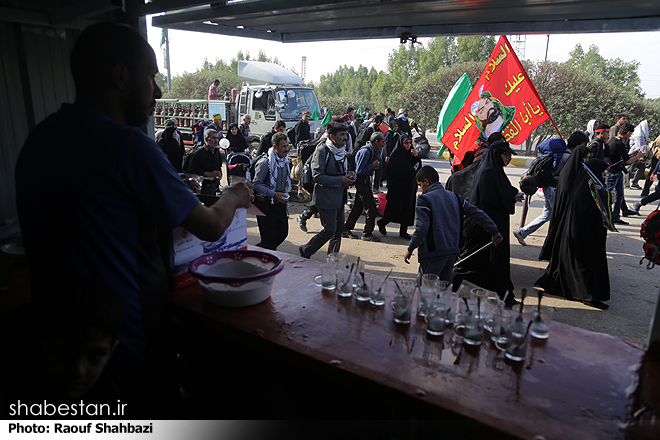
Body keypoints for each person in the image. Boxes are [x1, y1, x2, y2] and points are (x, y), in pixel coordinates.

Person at [14, 22, 253, 416]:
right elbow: (209, 226)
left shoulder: (39, 139)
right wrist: (233, 195)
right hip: (123, 353)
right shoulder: (128, 147)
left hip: (56, 350)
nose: (157, 91)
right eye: (152, 77)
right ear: (121, 75)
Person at [536, 146, 612, 310]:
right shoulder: (582, 188)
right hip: (580, 236)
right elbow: (588, 214)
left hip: (578, 234)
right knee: (581, 266)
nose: (605, 175)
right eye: (603, 172)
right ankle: (585, 294)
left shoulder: (587, 186)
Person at [451, 141, 524, 305]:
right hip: (481, 227)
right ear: (497, 154)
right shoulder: (488, 172)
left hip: (491, 225)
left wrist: (512, 195)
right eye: (505, 154)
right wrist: (510, 198)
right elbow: (488, 199)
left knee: (496, 261)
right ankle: (445, 290)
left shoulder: (495, 172)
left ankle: (506, 296)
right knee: (466, 261)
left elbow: (502, 190)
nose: (508, 158)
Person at [404, 166, 503, 281]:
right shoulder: (455, 197)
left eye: (420, 185)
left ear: (426, 181)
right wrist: (494, 230)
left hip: (433, 254)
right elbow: (477, 213)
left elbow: (422, 227)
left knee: (425, 291)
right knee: (444, 290)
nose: (421, 189)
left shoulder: (424, 200)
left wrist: (410, 248)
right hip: (452, 252)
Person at [299, 118, 357, 259]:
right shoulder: (322, 151)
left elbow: (342, 171)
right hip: (325, 198)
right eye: (341, 135)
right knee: (330, 229)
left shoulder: (341, 150)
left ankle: (332, 258)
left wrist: (350, 176)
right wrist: (341, 180)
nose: (345, 137)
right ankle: (306, 250)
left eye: (345, 134)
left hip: (339, 197)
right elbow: (317, 177)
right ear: (332, 137)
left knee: (339, 230)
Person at [513, 134, 577, 246]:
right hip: (555, 190)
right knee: (561, 216)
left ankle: (522, 232)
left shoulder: (556, 156)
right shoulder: (567, 157)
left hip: (549, 189)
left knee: (547, 214)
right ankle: (560, 243)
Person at [377, 135, 422, 239]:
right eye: (406, 143)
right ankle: (382, 223)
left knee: (407, 208)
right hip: (398, 187)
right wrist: (409, 171)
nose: (408, 145)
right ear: (402, 143)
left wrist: (417, 157)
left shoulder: (411, 154)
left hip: (409, 187)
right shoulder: (396, 154)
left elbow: (419, 167)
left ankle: (403, 231)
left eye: (410, 143)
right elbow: (392, 171)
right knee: (395, 208)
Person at [252, 132, 291, 250]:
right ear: (275, 147)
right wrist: (274, 194)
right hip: (265, 205)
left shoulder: (285, 161)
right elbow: (256, 184)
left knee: (282, 233)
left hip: (280, 204)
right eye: (283, 147)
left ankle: (258, 251)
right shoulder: (265, 163)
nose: (286, 149)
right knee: (270, 241)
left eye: (287, 146)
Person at [343, 132, 384, 242]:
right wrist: (372, 165)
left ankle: (346, 229)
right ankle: (367, 233)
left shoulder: (374, 151)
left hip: (366, 181)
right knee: (371, 208)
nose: (383, 145)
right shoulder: (365, 152)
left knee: (358, 207)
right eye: (382, 142)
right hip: (361, 182)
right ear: (376, 142)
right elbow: (359, 171)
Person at [606, 121, 638, 224]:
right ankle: (606, 216)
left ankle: (615, 217)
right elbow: (627, 161)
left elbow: (623, 157)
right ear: (628, 133)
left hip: (616, 172)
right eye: (631, 134)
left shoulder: (614, 140)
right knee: (608, 195)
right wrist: (638, 157)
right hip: (612, 173)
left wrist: (632, 155)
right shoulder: (619, 143)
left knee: (620, 195)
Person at [188, 128, 224, 195]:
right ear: (206, 139)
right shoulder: (199, 153)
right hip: (201, 187)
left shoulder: (216, 152)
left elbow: (219, 167)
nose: (216, 140)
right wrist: (209, 174)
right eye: (213, 138)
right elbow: (191, 170)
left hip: (212, 186)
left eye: (217, 138)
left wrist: (219, 174)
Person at [628, 120, 650, 190]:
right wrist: (642, 157)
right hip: (635, 154)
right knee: (630, 169)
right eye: (648, 126)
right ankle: (626, 183)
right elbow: (639, 147)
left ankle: (635, 182)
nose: (649, 128)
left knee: (641, 168)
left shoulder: (643, 135)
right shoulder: (638, 135)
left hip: (641, 155)